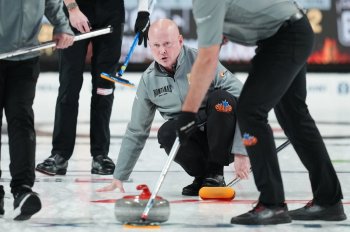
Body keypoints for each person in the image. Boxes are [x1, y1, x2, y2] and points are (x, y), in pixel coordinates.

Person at [174, 0, 347, 225]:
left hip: (284, 38)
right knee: (294, 118)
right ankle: (328, 201)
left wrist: (187, 113)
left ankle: (272, 203)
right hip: (293, 30)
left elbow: (206, 59)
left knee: (250, 112)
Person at [97, 19, 251, 196]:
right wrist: (119, 176)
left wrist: (242, 151)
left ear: (180, 40)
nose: (162, 51)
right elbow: (136, 130)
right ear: (149, 45)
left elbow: (245, 100)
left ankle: (215, 173)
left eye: (167, 44)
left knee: (221, 99)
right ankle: (203, 176)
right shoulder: (148, 81)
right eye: (156, 45)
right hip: (192, 137)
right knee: (167, 132)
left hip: (224, 140)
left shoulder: (203, 61)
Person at [36, 0, 151, 176]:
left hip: (111, 13)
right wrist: (72, 9)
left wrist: (144, 12)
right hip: (76, 9)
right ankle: (59, 154)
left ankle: (100, 155)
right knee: (69, 85)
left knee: (104, 88)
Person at [0, 0, 74, 220]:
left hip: (25, 57)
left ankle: (22, 189)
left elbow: (51, 2)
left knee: (22, 121)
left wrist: (62, 27)